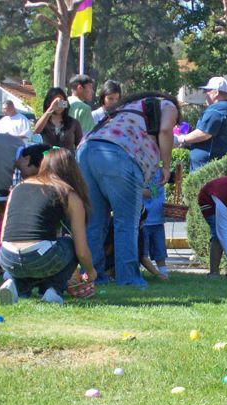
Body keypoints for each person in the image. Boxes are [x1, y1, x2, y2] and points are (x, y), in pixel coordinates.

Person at [77, 92, 179, 286]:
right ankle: (128, 278)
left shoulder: (126, 108)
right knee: (126, 222)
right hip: (119, 154)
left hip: (86, 149)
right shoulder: (168, 105)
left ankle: (91, 276)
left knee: (95, 222)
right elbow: (165, 130)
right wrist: (166, 166)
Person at [0, 148, 96, 305]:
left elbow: (4, 235)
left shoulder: (17, 188)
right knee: (68, 244)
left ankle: (13, 284)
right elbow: (82, 251)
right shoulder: (68, 193)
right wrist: (91, 272)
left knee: (39, 252)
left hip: (7, 256)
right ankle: (53, 291)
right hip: (40, 256)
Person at [177, 77, 227, 172]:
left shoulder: (216, 110)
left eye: (208, 90)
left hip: (207, 169)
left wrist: (183, 139)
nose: (205, 94)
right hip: (215, 167)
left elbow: (204, 133)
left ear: (216, 92)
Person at [33, 88, 83, 152]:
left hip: (67, 159)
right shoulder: (43, 121)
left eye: (62, 102)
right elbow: (36, 131)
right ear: (49, 103)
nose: (59, 105)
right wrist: (50, 109)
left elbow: (80, 145)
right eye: (55, 103)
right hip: (48, 159)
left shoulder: (74, 123)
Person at [142, 168, 168, 279]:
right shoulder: (140, 172)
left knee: (160, 250)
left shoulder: (160, 171)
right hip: (144, 221)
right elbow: (145, 192)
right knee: (143, 251)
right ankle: (157, 273)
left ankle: (164, 272)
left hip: (157, 219)